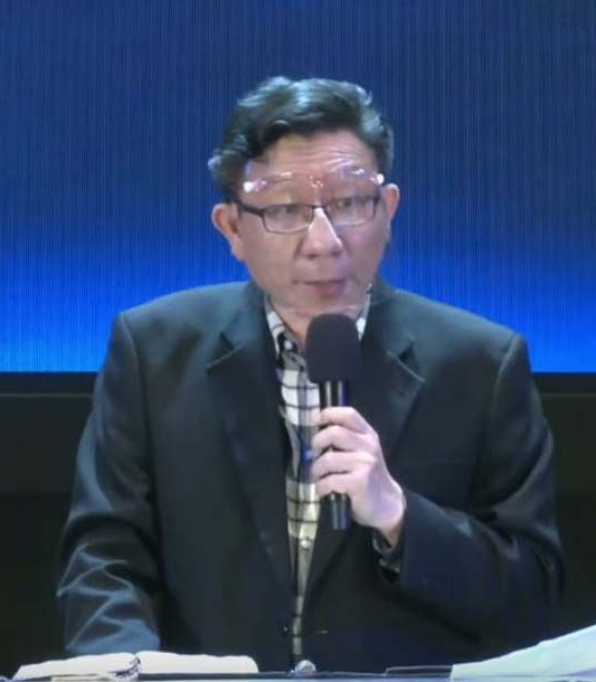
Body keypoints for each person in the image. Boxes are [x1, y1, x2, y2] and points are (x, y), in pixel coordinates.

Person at [57, 76, 563, 673]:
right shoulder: (153, 352)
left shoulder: (481, 365)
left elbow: (531, 596)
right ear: (232, 228)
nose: (324, 242)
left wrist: (400, 517)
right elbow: (105, 561)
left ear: (388, 210)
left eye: (350, 203)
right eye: (285, 210)